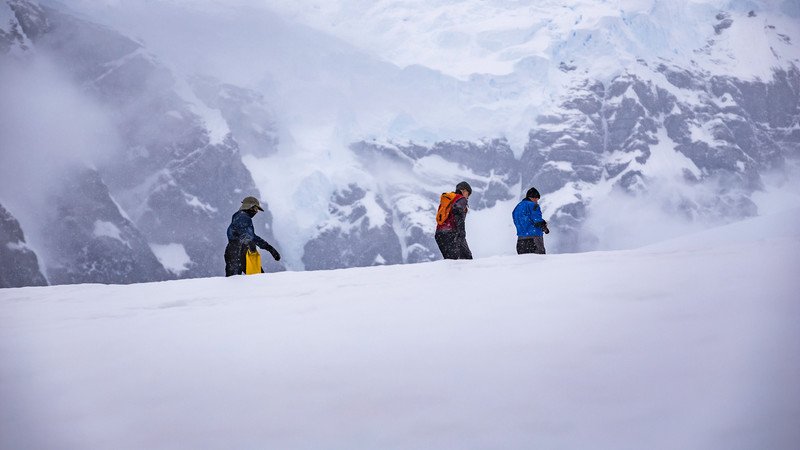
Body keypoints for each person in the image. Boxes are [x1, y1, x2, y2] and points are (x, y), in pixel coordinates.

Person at [225, 196, 281, 276]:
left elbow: (251, 236)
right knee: (256, 279)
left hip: (238, 251)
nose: (256, 212)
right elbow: (246, 236)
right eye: (255, 209)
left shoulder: (239, 216)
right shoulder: (243, 217)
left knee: (236, 280)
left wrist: (268, 248)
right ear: (249, 207)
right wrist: (251, 244)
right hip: (237, 252)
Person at [435, 181, 473, 260]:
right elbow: (458, 213)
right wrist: (462, 233)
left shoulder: (449, 200)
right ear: (463, 190)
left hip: (439, 235)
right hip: (452, 233)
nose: (468, 197)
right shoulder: (460, 199)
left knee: (451, 261)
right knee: (467, 259)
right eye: (468, 194)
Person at [512, 187, 549, 255]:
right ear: (533, 197)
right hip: (534, 239)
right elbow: (537, 220)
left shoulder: (517, 207)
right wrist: (544, 226)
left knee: (525, 264)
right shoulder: (533, 205)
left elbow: (525, 219)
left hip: (521, 240)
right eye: (537, 199)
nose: (537, 201)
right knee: (539, 262)